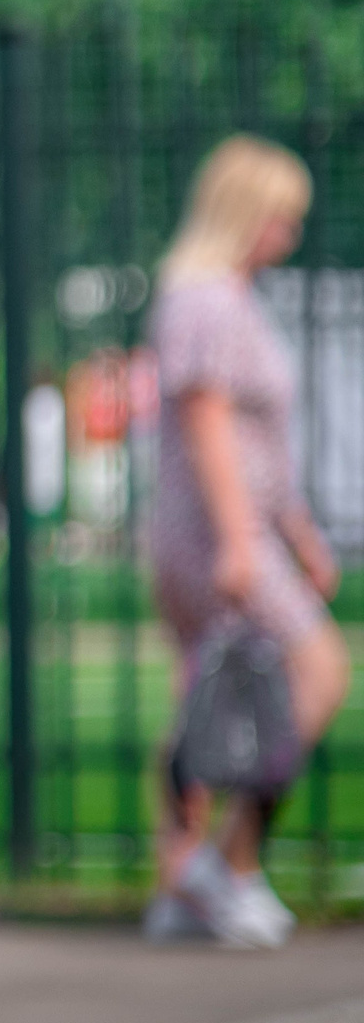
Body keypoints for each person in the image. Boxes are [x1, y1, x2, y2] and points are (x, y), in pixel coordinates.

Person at [143, 136, 349, 948]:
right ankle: (224, 866)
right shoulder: (207, 302)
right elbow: (209, 429)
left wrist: (298, 531)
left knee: (204, 698)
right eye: (280, 217)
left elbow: (262, 443)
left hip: (230, 529)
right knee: (317, 669)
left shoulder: (221, 298)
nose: (288, 234)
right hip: (217, 533)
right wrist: (239, 540)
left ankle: (181, 882)